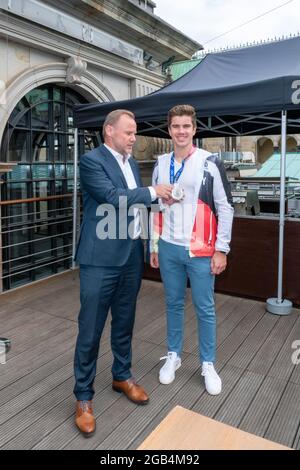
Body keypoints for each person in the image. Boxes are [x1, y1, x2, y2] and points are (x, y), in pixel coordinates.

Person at [73, 109, 173, 437]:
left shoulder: (130, 163)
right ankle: (84, 398)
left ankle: (121, 376)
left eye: (134, 133)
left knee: (125, 322)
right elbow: (112, 198)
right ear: (109, 132)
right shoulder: (91, 161)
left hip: (130, 256)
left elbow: (135, 204)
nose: (134, 138)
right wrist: (153, 192)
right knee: (91, 329)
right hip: (99, 260)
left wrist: (160, 202)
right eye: (129, 133)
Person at [150, 104, 234, 396]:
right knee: (173, 303)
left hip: (200, 249)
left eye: (186, 126)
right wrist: (155, 243)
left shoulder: (210, 161)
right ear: (169, 130)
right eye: (176, 126)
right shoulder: (161, 163)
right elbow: (155, 206)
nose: (181, 131)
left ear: (194, 129)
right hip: (170, 247)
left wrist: (221, 249)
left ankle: (208, 364)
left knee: (204, 308)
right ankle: (173, 355)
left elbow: (226, 207)